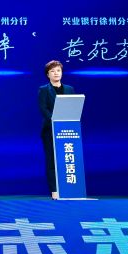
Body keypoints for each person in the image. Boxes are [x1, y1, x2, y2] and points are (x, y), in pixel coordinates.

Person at [39, 60, 75, 200]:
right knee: (52, 160)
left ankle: (70, 188)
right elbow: (43, 109)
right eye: (53, 71)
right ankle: (54, 190)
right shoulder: (43, 90)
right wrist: (55, 120)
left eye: (58, 70)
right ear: (48, 74)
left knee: (67, 159)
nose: (56, 73)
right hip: (50, 130)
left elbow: (73, 107)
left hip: (67, 130)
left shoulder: (69, 89)